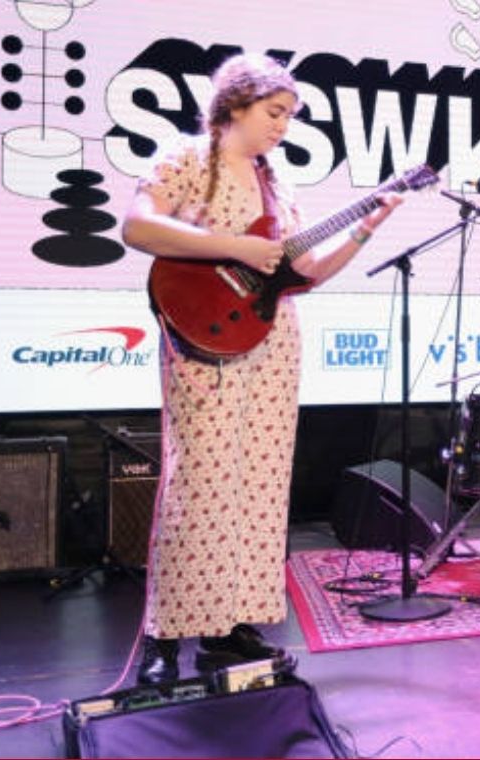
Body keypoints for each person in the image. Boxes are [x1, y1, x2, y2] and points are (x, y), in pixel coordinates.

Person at [121, 52, 404, 684]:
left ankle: (230, 629)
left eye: (288, 117)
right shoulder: (187, 157)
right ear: (236, 105)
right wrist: (237, 246)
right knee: (198, 485)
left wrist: (366, 229)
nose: (282, 126)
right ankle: (165, 634)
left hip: (272, 343)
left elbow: (305, 272)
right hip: (205, 341)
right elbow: (137, 227)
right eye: (274, 112)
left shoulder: (279, 183)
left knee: (260, 488)